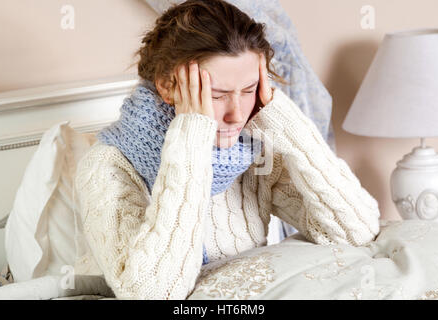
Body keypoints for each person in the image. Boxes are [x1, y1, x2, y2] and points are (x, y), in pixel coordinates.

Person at [74, 0, 380, 300]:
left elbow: (355, 232)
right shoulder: (106, 167)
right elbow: (153, 294)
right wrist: (191, 139)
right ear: (168, 86)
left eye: (249, 90)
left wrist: (286, 122)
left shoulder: (252, 153)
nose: (237, 114)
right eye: (218, 94)